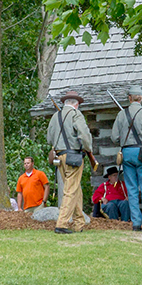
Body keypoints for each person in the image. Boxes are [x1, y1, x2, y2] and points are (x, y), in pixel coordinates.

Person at [111, 85, 142, 234]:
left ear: (129, 98)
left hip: (127, 153)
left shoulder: (121, 114)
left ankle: (136, 223)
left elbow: (114, 137)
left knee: (132, 190)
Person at [47, 90, 93, 234]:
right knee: (70, 191)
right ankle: (62, 224)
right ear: (77, 104)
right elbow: (84, 135)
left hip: (59, 158)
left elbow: (49, 139)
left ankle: (79, 223)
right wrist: (89, 149)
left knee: (75, 190)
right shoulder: (75, 114)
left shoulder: (55, 116)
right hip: (73, 157)